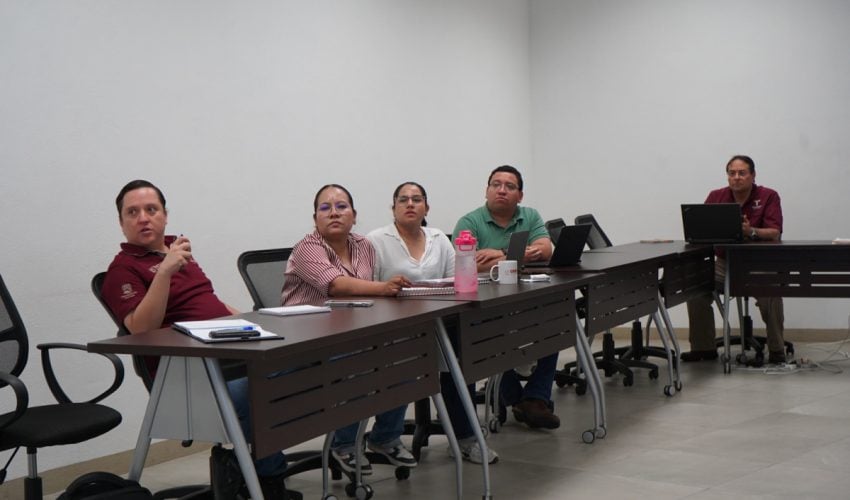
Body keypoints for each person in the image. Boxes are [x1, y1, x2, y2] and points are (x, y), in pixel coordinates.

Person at [100, 180, 301, 500]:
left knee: (306, 361)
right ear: (121, 222)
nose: (143, 218)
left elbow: (212, 303)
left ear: (165, 215)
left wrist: (259, 323)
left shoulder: (177, 251)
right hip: (190, 383)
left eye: (151, 209)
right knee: (268, 387)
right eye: (133, 212)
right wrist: (164, 272)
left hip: (230, 362)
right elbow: (140, 329)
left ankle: (252, 469)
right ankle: (266, 477)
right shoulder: (122, 270)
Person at [281, 183, 416, 476]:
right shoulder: (307, 247)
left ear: (354, 215)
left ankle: (385, 437)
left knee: (406, 352)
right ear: (315, 218)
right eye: (325, 208)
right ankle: (343, 445)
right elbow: (337, 286)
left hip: (350, 332)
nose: (334, 213)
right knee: (357, 360)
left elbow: (366, 295)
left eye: (341, 207)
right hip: (306, 339)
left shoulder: (364, 245)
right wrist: (384, 287)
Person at [367, 181, 498, 465]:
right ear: (393, 208)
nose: (410, 204)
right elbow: (368, 287)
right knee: (409, 357)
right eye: (403, 199)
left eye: (417, 199)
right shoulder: (376, 240)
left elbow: (458, 280)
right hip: (394, 328)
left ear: (427, 207)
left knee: (463, 352)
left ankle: (465, 437)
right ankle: (385, 436)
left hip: (439, 323)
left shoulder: (438, 237)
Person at [453, 165, 560, 430]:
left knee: (557, 323)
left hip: (525, 298)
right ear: (486, 191)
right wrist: (519, 254)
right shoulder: (469, 222)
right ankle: (519, 399)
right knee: (489, 336)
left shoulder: (530, 215)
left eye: (509, 186)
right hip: (484, 303)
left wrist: (499, 253)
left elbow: (545, 249)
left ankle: (535, 397)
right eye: (496, 185)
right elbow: (469, 264)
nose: (501, 190)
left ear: (520, 196)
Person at [682, 155, 786, 364]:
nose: (736, 177)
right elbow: (701, 229)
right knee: (694, 286)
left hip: (757, 264)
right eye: (732, 173)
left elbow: (774, 232)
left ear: (753, 175)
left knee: (771, 291)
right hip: (723, 263)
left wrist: (751, 231)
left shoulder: (768, 196)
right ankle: (704, 348)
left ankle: (777, 350)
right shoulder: (716, 196)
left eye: (742, 173)